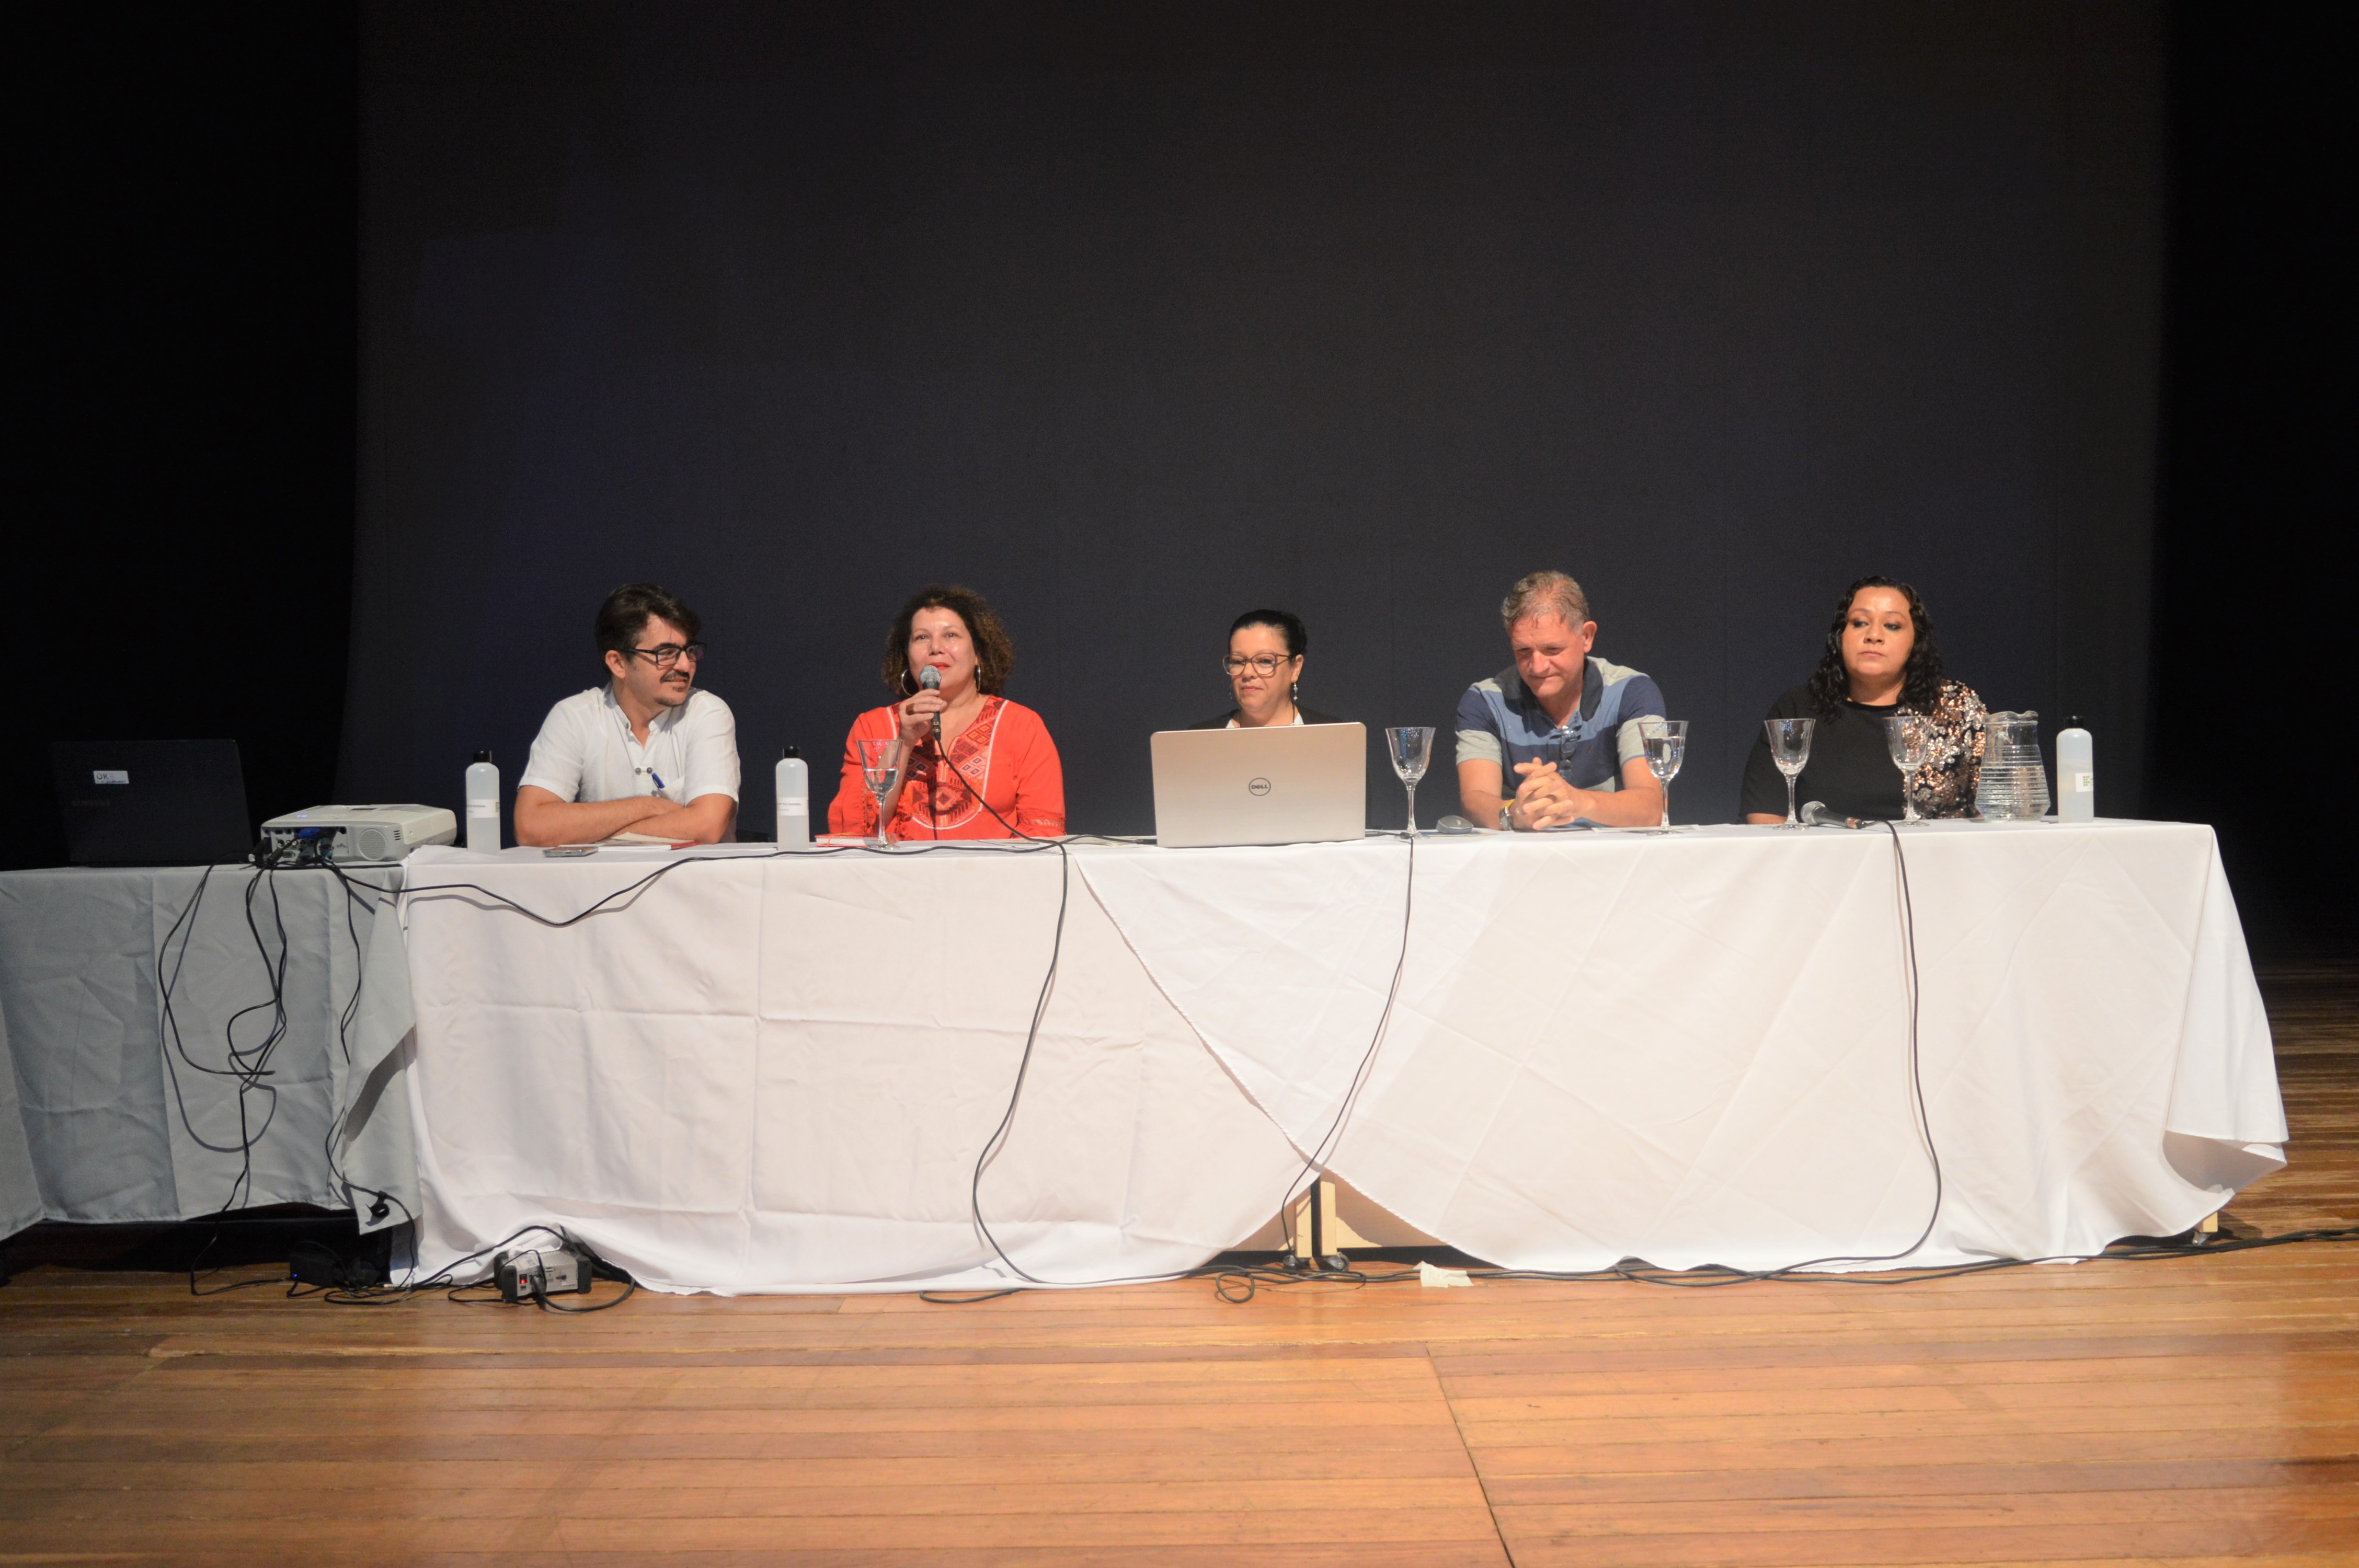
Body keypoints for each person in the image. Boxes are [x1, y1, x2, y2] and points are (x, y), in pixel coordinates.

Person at [829, 584, 1066, 840]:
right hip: (898, 878)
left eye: (951, 635)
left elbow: (1044, 835)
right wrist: (904, 742)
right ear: (907, 656)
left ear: (978, 654)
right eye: (922, 637)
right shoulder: (873, 726)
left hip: (992, 878)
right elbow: (852, 831)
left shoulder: (1021, 725)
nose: (935, 648)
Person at [1741, 576, 1985, 823]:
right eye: (1859, 623)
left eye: (1892, 625)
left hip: (1933, 858)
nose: (1874, 635)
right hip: (1826, 860)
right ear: (1840, 636)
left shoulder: (1953, 706)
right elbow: (1764, 815)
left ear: (1916, 641)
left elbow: (1994, 807)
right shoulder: (1799, 708)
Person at [515, 583, 740, 846]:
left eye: (689, 651)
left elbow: (706, 827)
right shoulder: (574, 716)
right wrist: (649, 807)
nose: (685, 665)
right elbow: (531, 829)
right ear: (618, 663)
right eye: (665, 653)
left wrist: (592, 833)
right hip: (601, 887)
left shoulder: (707, 712)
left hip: (692, 885)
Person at [1456, 571, 1667, 831]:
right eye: (1523, 651)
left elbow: (1652, 809)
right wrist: (1515, 813)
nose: (1538, 666)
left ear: (1587, 637)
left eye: (1552, 650)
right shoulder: (1485, 702)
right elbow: (1474, 802)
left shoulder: (1632, 692)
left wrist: (1577, 801)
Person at [1186, 608, 1348, 730]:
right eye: (1238, 661)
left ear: (1295, 668)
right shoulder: (1198, 741)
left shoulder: (1333, 737)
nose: (1248, 673)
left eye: (1264, 661)